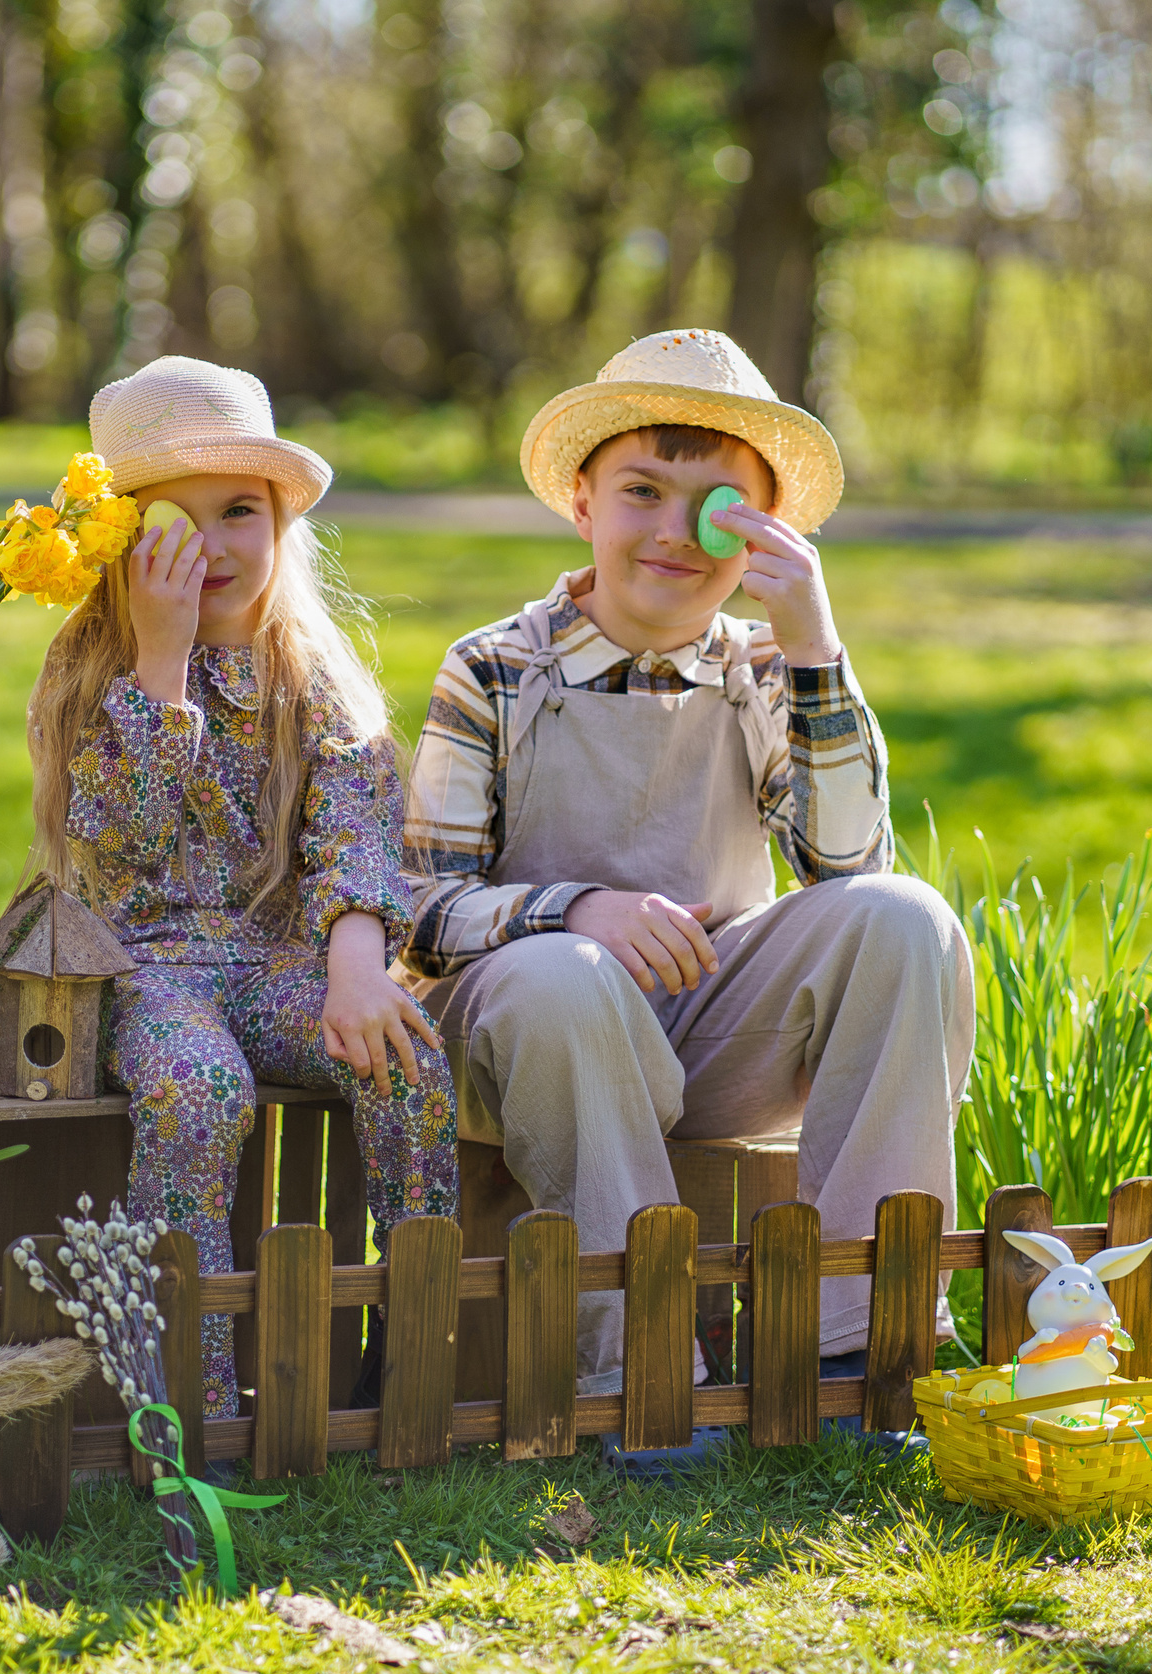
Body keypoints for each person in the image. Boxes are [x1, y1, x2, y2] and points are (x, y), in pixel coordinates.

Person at [400, 328, 974, 1471]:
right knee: (563, 979)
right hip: (530, 1031)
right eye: (641, 492)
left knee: (908, 919)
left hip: (704, 1026)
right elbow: (420, 903)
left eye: (715, 505)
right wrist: (571, 910)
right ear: (581, 503)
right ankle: (637, 1366)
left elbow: (844, 867)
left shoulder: (765, 671)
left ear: (763, 533)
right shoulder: (494, 670)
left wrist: (814, 648)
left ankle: (858, 1350)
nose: (673, 530)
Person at [30, 356, 459, 1421]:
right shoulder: (87, 671)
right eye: (174, 525)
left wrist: (358, 966)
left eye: (238, 513)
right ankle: (187, 1390)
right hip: (148, 971)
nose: (212, 548)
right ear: (122, 541)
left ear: (279, 524)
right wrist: (162, 667)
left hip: (287, 963)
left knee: (408, 1060)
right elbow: (116, 848)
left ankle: (410, 1361)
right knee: (197, 1090)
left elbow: (357, 833)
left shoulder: (308, 673)